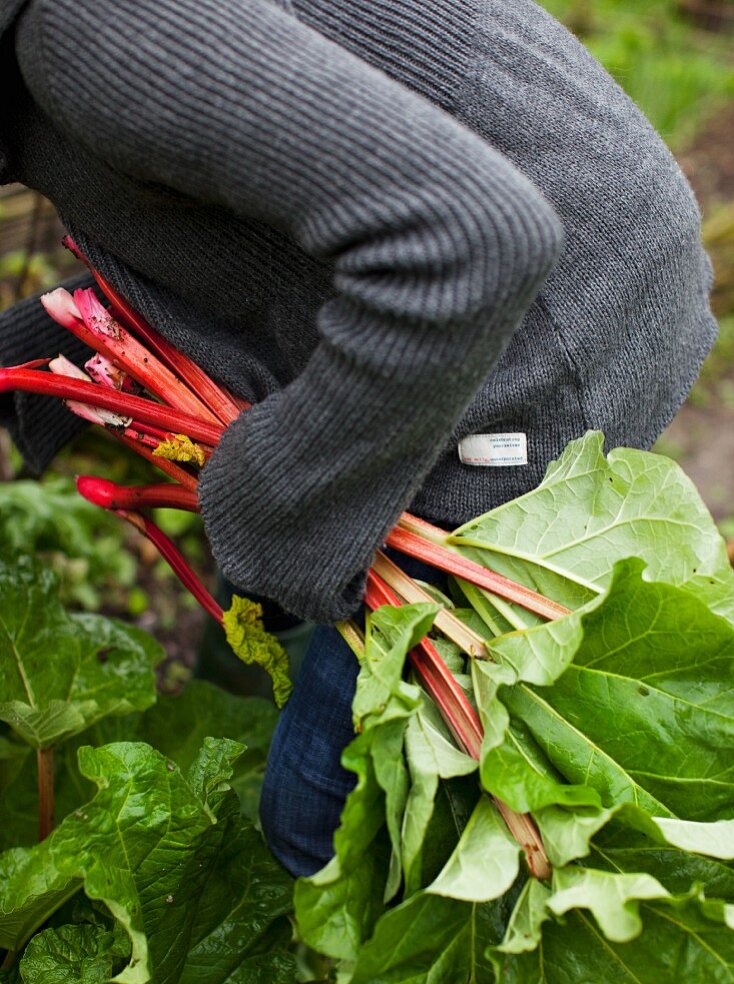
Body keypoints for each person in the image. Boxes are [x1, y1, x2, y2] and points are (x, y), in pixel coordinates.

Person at [0, 0, 716, 876]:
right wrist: (41, 345)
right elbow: (238, 201)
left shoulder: (87, 31)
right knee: (267, 601)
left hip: (534, 333)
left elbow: (469, 242)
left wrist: (266, 501)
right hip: (490, 263)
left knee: (322, 822)